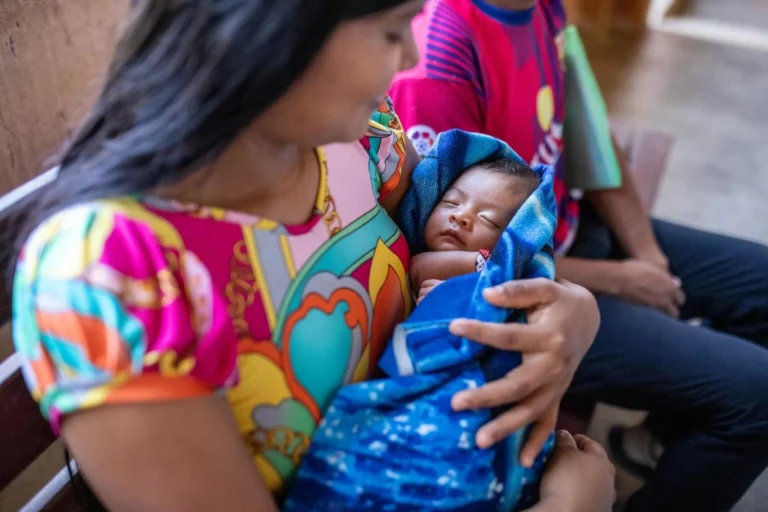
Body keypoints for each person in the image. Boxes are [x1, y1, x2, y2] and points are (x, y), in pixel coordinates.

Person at [7, 1, 611, 511]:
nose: (411, 58)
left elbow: (477, 259)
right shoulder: (111, 272)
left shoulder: (366, 144)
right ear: (277, 27)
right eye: (392, 29)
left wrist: (576, 312)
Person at [389, 0, 768, 510]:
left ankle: (659, 441)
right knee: (759, 394)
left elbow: (587, 128)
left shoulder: (545, 7)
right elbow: (450, 239)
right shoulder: (438, 58)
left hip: (570, 229)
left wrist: (645, 251)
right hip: (521, 286)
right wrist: (616, 279)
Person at [411, 157, 541, 302]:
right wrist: (489, 263)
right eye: (451, 202)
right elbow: (417, 268)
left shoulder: (521, 283)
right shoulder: (418, 259)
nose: (460, 216)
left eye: (488, 219)